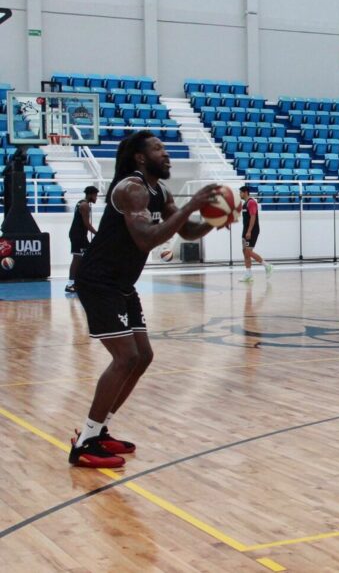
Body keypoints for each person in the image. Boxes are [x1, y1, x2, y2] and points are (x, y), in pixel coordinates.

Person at [69, 131, 221, 468]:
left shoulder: (161, 191)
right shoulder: (131, 189)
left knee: (143, 357)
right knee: (125, 357)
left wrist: (213, 219)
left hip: (122, 284)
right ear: (140, 157)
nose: (166, 155)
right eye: (158, 149)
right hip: (99, 281)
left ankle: (99, 430)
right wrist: (193, 204)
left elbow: (186, 231)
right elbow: (145, 240)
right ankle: (83, 444)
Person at [65, 186, 99, 294]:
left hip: (79, 235)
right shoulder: (85, 206)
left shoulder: (81, 203)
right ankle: (70, 284)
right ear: (90, 195)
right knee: (77, 258)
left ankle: (80, 281)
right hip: (78, 235)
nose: (96, 197)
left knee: (87, 257)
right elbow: (87, 224)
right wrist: (98, 234)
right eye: (95, 195)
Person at [238, 185, 271, 282]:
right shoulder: (245, 204)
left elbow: (253, 217)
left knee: (248, 251)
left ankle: (267, 266)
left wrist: (249, 231)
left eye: (240, 192)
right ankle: (248, 274)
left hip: (252, 230)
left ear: (245, 192)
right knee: (245, 251)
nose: (239, 194)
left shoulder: (251, 203)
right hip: (245, 230)